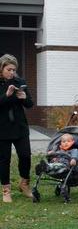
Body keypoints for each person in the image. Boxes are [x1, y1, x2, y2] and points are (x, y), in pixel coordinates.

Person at [0, 55, 33, 202]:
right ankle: (6, 190)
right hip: (2, 128)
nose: (12, 72)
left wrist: (24, 97)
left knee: (25, 156)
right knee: (4, 160)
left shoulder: (20, 82)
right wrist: (6, 95)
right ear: (1, 69)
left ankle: (24, 183)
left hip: (20, 127)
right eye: (9, 69)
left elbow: (30, 104)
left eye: (14, 69)